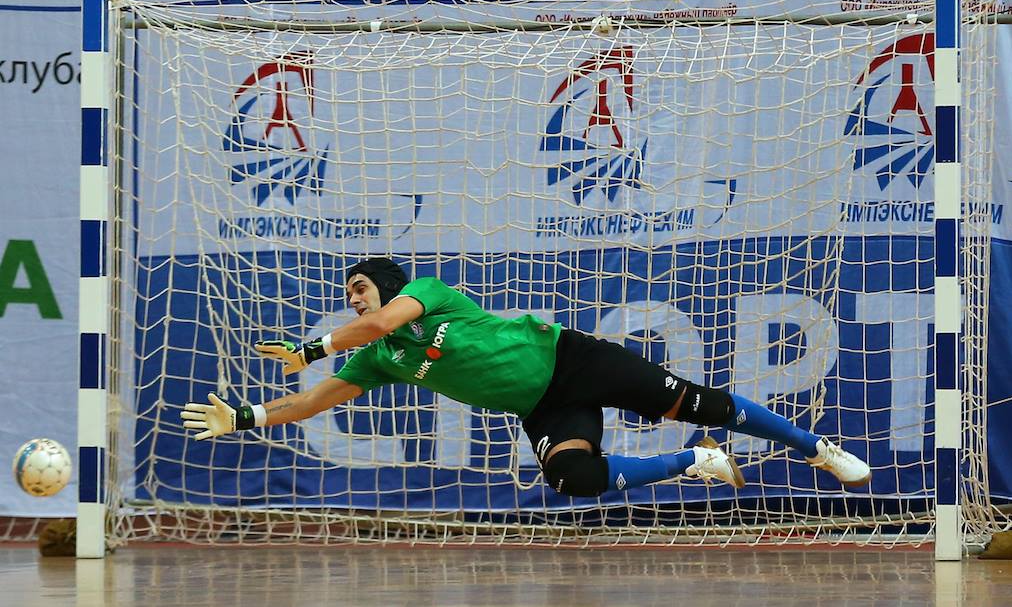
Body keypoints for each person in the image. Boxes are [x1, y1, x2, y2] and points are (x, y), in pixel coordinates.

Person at [181, 257, 871, 497]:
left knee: (703, 404)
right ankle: (695, 463)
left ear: (386, 285)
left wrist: (312, 344)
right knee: (572, 478)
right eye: (350, 293)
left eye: (360, 287)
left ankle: (817, 448)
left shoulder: (423, 294)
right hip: (541, 404)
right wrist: (246, 416)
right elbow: (310, 402)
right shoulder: (377, 360)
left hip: (572, 358)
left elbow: (379, 323)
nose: (354, 299)